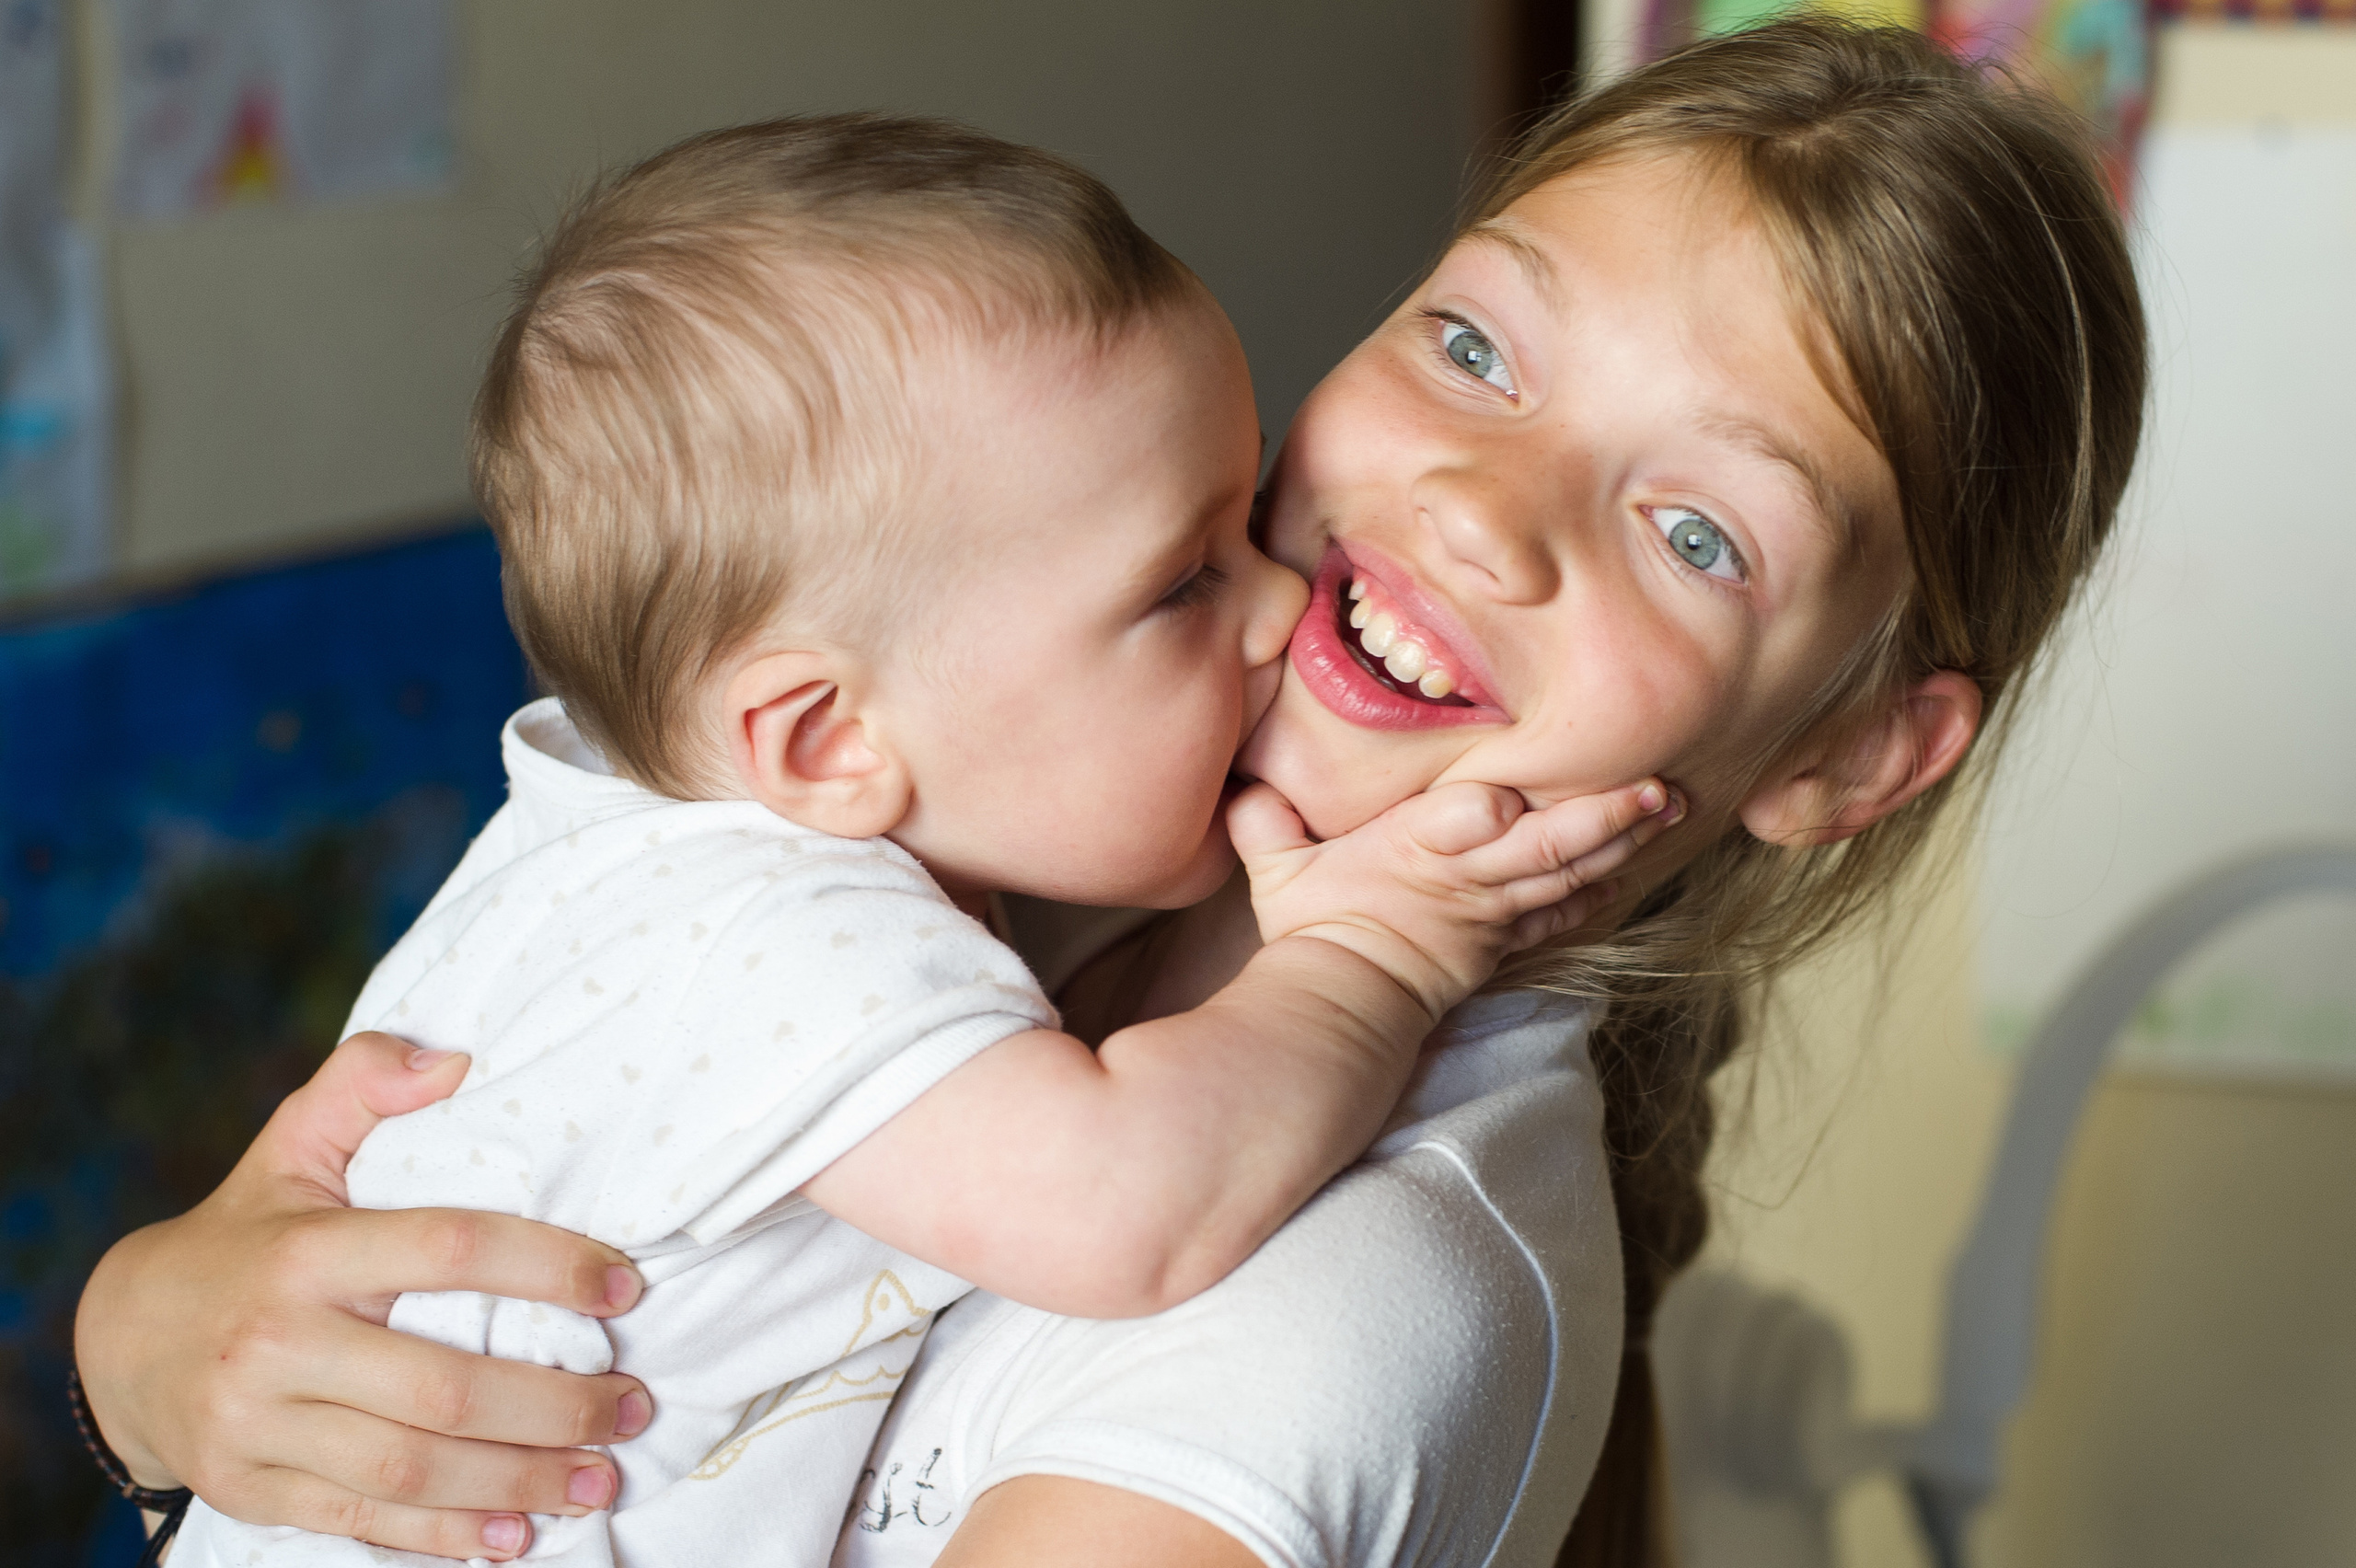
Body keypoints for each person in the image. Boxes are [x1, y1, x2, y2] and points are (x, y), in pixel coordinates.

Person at [73, 21, 2146, 1568]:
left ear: (1841, 753)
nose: (1477, 511)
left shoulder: (1342, 1305)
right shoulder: (922, 857)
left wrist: (1382, 952)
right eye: (1474, 349)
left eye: (1697, 535)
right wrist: (146, 1351)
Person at [166, 116, 1671, 1568]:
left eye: (1243, 511)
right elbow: (1127, 1208)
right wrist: (1376, 954)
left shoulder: (614, 818)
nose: (1282, 603)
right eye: (1179, 586)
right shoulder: (784, 939)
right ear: (826, 743)